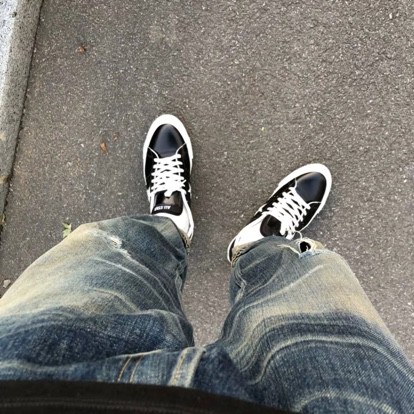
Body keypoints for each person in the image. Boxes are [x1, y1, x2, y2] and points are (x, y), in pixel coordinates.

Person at [0, 114, 413, 414]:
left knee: (109, 262)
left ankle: (169, 221)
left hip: (28, 386)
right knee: (303, 291)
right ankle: (264, 242)